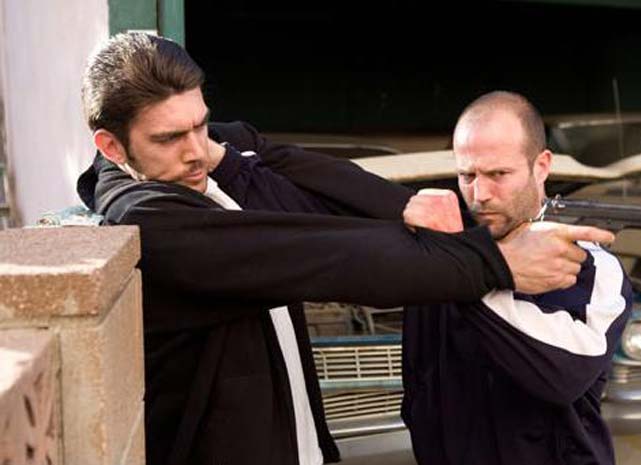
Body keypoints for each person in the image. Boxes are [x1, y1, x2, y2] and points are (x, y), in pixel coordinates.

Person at [76, 34, 614, 465]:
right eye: (171, 138)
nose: (198, 150)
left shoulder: (203, 160)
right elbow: (319, 256)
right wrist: (491, 262)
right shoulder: (149, 217)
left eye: (200, 125)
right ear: (111, 145)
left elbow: (273, 156)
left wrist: (404, 207)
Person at [401, 91, 633, 465]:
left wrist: (465, 273)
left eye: (498, 174)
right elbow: (419, 376)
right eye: (467, 175)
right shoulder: (440, 255)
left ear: (541, 166)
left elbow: (564, 377)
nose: (480, 195)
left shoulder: (590, 267)